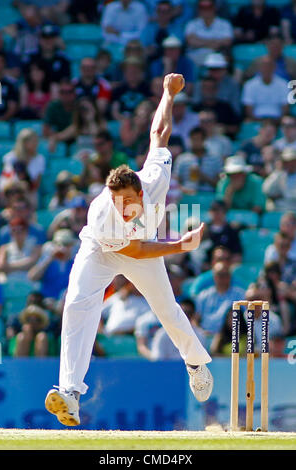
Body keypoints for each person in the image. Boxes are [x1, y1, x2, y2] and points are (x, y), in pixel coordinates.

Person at [44, 73, 213, 427]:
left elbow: (158, 134)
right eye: (116, 202)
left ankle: (196, 363)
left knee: (166, 309)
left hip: (142, 246)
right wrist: (181, 244)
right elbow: (135, 251)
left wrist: (168, 94)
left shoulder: (154, 178)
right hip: (102, 249)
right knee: (77, 303)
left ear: (140, 192)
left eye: (127, 203)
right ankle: (71, 393)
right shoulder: (103, 213)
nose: (122, 209)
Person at [172, 126, 222, 193]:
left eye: (198, 139)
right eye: (193, 139)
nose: (195, 142)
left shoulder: (215, 159)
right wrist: (185, 190)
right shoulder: (182, 158)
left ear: (204, 140)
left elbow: (220, 185)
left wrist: (204, 177)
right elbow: (175, 182)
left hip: (209, 195)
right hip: (187, 195)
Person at [184, 0, 233, 66]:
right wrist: (214, 42)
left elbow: (227, 41)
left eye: (209, 7)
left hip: (217, 55)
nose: (206, 10)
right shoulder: (192, 24)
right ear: (198, 9)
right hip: (196, 56)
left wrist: (200, 41)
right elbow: (191, 41)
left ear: (214, 8)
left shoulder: (224, 24)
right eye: (202, 7)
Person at [241, 56, 289, 121]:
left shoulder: (283, 84)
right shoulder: (249, 85)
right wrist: (258, 121)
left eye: (269, 66)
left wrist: (277, 121)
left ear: (274, 68)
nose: (267, 69)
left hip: (277, 120)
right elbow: (248, 107)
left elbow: (285, 107)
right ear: (259, 68)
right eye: (264, 66)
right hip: (256, 119)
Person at [263, 147, 296, 211]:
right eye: (286, 161)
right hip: (279, 210)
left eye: (292, 161)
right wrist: (278, 171)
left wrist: (282, 194)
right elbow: (266, 190)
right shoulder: (279, 174)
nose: (289, 164)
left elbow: (292, 196)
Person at [0, 52, 19, 122]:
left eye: (0, 61)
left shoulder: (10, 85)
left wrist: (1, 120)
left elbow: (12, 108)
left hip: (5, 122)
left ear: (5, 64)